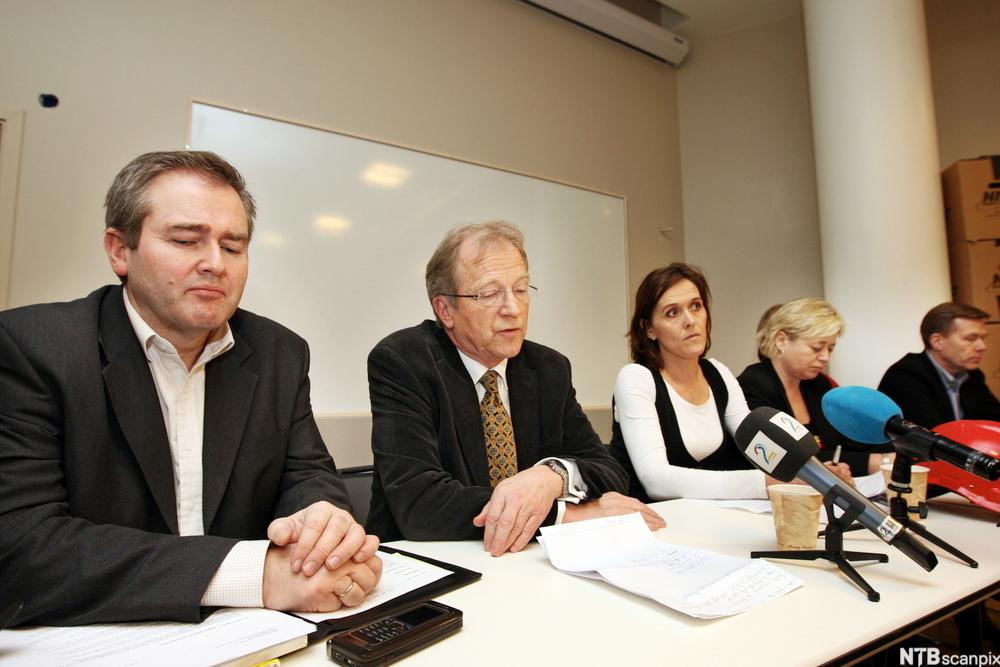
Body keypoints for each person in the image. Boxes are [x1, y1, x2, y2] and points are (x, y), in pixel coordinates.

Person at [0, 151, 381, 626]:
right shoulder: (31, 348)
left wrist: (321, 527)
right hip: (103, 636)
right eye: (185, 240)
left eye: (234, 246)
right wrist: (257, 575)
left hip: (250, 633)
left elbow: (307, 474)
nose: (215, 264)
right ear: (120, 250)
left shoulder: (278, 352)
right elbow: (20, 543)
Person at [367, 221, 664, 556]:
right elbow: (420, 505)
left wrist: (553, 477)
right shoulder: (403, 361)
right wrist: (569, 513)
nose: (512, 308)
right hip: (429, 566)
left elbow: (609, 470)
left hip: (526, 564)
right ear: (445, 310)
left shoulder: (549, 368)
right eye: (490, 293)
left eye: (521, 289)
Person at [608, 263, 768, 501]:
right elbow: (656, 480)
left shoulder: (718, 373)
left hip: (715, 519)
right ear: (649, 329)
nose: (690, 320)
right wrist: (763, 483)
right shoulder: (636, 378)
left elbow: (758, 446)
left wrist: (810, 472)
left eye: (696, 306)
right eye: (672, 312)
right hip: (656, 522)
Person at [738, 298, 887, 476]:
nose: (825, 357)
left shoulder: (818, 384)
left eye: (830, 348)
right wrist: (873, 463)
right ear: (781, 341)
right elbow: (785, 457)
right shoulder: (752, 385)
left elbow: (848, 440)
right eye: (816, 348)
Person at [878, 302, 1000, 428]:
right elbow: (933, 437)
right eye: (971, 338)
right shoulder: (906, 375)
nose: (982, 347)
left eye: (982, 338)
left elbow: (995, 421)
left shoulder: (973, 375)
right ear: (937, 342)